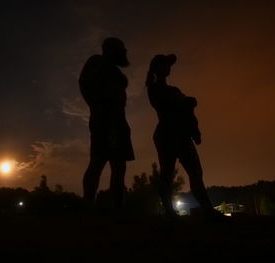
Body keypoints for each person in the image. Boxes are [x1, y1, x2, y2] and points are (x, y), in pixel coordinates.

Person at [146, 54, 223, 220]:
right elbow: (171, 106)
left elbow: (188, 112)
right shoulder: (155, 89)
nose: (168, 68)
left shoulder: (173, 90)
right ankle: (170, 212)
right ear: (157, 68)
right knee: (167, 173)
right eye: (165, 64)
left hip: (180, 135)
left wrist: (195, 131)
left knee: (195, 172)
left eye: (168, 65)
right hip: (168, 135)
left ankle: (207, 210)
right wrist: (187, 103)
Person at [79, 37, 135, 211]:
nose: (125, 52)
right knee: (98, 161)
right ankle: (88, 207)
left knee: (119, 166)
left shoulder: (116, 72)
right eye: (121, 48)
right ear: (112, 49)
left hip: (119, 121)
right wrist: (96, 105)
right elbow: (84, 83)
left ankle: (118, 209)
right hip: (105, 120)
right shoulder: (97, 62)